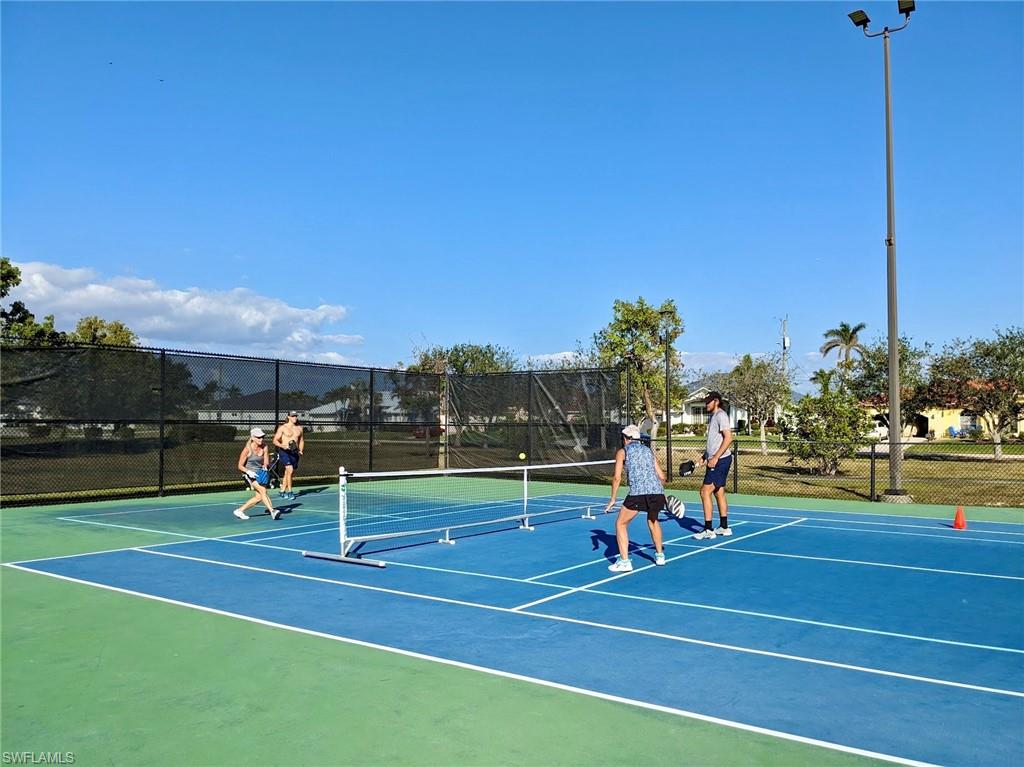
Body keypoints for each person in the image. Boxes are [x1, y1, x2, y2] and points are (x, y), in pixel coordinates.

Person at [603, 424, 669, 572]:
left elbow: (617, 478)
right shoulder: (648, 451)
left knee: (620, 524)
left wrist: (613, 499)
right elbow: (662, 477)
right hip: (656, 493)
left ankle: (625, 562)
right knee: (653, 521)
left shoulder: (622, 452)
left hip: (638, 494)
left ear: (627, 439)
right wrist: (657, 490)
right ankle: (660, 556)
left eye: (623, 438)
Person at [694, 391, 733, 540]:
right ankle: (724, 527)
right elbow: (715, 441)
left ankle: (708, 529)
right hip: (717, 459)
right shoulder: (714, 417)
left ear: (716, 401)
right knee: (719, 492)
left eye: (708, 402)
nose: (706, 404)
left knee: (705, 492)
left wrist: (715, 457)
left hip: (720, 460)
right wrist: (705, 456)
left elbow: (728, 438)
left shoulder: (721, 415)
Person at [234, 427, 280, 520]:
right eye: (258, 437)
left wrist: (265, 467)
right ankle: (272, 511)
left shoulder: (265, 447)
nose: (261, 439)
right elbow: (239, 466)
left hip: (260, 473)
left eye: (262, 437)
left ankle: (239, 510)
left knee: (259, 497)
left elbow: (266, 461)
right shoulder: (247, 449)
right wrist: (248, 472)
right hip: (249, 474)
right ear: (252, 438)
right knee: (263, 491)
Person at [273, 410, 304, 500]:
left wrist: (301, 450)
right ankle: (290, 492)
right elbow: (275, 440)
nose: (295, 418)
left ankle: (282, 491)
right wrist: (283, 446)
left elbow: (301, 440)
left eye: (295, 416)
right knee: (289, 470)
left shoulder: (299, 428)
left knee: (288, 472)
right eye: (293, 416)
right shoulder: (282, 428)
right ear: (289, 417)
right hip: (284, 451)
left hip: (294, 452)